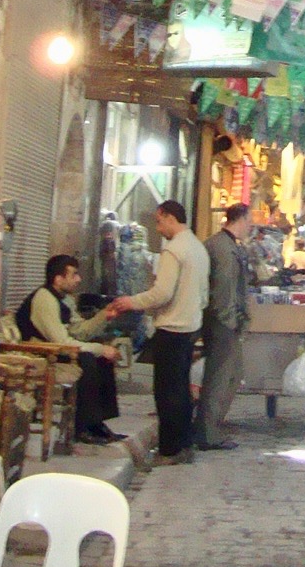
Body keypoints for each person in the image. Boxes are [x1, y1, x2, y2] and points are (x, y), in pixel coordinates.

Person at [106, 199, 210, 465]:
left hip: (172, 328)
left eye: (159, 221)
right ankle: (183, 444)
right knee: (181, 389)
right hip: (189, 327)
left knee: (167, 392)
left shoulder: (174, 250)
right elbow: (204, 295)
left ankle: (170, 450)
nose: (158, 227)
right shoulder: (197, 248)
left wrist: (132, 302)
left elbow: (162, 293)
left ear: (169, 217)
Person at [11, 254, 122, 446]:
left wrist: (105, 316)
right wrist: (99, 349)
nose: (78, 279)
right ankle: (83, 426)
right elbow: (60, 340)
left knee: (101, 360)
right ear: (58, 279)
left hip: (58, 350)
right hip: (42, 353)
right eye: (74, 275)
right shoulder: (44, 299)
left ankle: (97, 423)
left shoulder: (65, 300)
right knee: (88, 359)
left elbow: (79, 331)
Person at [195, 204, 252, 452]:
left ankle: (210, 428)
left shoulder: (225, 245)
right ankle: (208, 433)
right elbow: (223, 290)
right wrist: (231, 321)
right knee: (220, 377)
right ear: (241, 219)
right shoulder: (223, 248)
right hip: (222, 324)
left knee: (230, 375)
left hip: (223, 322)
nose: (251, 226)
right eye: (250, 220)